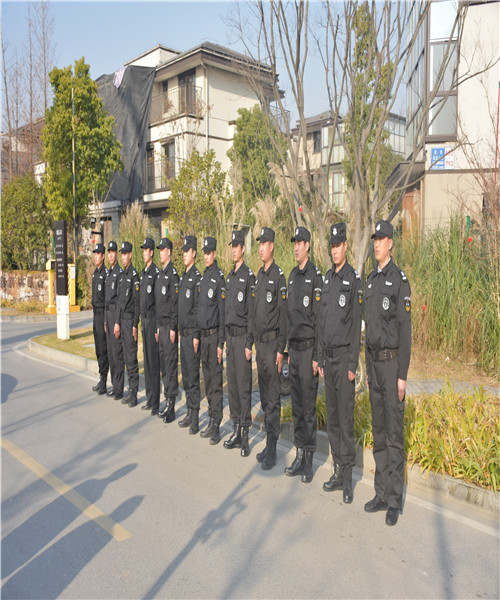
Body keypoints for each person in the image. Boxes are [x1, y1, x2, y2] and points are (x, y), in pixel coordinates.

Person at [364, 219, 411, 526]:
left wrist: (402, 375)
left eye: (382, 239)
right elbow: (369, 331)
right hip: (374, 365)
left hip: (393, 365)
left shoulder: (399, 280)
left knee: (394, 434)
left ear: (391, 243)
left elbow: (405, 331)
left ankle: (394, 499)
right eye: (375, 239)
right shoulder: (371, 281)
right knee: (379, 432)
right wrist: (369, 370)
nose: (377, 243)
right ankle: (381, 492)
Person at [317, 223, 362, 503]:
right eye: (332, 246)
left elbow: (356, 326)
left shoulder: (352, 279)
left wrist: (352, 365)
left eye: (338, 245)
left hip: (344, 359)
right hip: (329, 359)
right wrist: (321, 357)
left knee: (345, 420)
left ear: (346, 246)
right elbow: (322, 321)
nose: (335, 250)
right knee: (332, 419)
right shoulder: (327, 279)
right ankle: (336, 470)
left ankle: (347, 478)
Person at [284, 227, 323, 483]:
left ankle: (309, 459)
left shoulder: (315, 277)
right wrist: (288, 350)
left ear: (308, 245)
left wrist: (317, 355)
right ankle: (299, 454)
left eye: (300, 243)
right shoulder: (292, 276)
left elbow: (319, 320)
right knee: (296, 405)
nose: (296, 247)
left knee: (308, 407)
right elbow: (289, 317)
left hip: (309, 350)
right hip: (295, 351)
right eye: (294, 243)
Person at [249, 227, 287, 470]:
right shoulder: (260, 276)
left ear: (272, 246)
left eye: (264, 244)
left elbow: (283, 316)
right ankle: (267, 441)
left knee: (273, 398)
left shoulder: (278, 276)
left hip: (273, 346)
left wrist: (281, 350)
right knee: (264, 396)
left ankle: (273, 447)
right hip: (260, 346)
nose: (261, 248)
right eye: (259, 244)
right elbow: (255, 312)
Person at [223, 230, 255, 457]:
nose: (234, 250)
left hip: (243, 337)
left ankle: (245, 434)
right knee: (233, 386)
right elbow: (226, 311)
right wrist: (226, 340)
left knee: (244, 388)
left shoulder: (248, 276)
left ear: (243, 248)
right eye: (232, 246)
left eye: (237, 246)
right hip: (230, 338)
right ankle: (235, 429)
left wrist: (249, 343)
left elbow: (251, 314)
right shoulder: (230, 276)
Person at [197, 236, 226, 445]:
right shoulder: (203, 277)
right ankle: (210, 418)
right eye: (204, 253)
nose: (206, 256)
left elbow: (222, 314)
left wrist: (220, 344)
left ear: (214, 253)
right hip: (203, 337)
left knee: (216, 383)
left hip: (215, 336)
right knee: (207, 380)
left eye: (209, 253)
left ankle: (217, 424)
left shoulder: (219, 278)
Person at [177, 236, 202, 434]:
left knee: (193, 377)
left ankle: (195, 417)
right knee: (185, 376)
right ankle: (188, 410)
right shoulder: (183, 277)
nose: (184, 254)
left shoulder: (197, 278)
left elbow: (197, 310)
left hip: (192, 335)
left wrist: (196, 335)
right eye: (183, 251)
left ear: (194, 253)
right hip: (182, 335)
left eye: (187, 251)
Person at [155, 237, 179, 423]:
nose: (161, 253)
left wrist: (172, 327)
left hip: (169, 328)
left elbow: (174, 304)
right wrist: (157, 326)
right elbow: (158, 304)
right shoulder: (160, 274)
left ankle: (171, 406)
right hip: (160, 327)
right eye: (160, 250)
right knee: (164, 365)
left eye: (163, 250)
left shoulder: (173, 275)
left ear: (169, 252)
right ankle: (166, 400)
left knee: (170, 366)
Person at [114, 241, 140, 407]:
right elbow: (119, 302)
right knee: (124, 357)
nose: (123, 257)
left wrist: (135, 325)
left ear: (130, 255)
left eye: (125, 254)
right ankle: (130, 390)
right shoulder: (123, 275)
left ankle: (134, 393)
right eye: (121, 254)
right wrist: (117, 322)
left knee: (131, 358)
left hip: (130, 321)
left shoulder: (134, 276)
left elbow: (137, 303)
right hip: (122, 321)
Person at [139, 237, 161, 416]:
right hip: (144, 321)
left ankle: (156, 402)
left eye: (147, 250)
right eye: (143, 250)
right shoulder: (143, 273)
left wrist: (157, 327)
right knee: (146, 361)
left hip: (153, 320)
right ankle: (149, 397)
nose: (144, 253)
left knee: (153, 362)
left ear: (152, 252)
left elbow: (158, 303)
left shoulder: (155, 273)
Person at [104, 241, 124, 400]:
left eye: (113, 252)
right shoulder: (109, 273)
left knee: (117, 353)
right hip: (108, 315)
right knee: (110, 353)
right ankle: (113, 384)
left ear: (117, 253)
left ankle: (119, 388)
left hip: (115, 315)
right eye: (109, 252)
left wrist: (117, 322)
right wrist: (106, 320)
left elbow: (119, 301)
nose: (111, 255)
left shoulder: (119, 273)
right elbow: (106, 299)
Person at [91, 243, 109, 395]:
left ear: (103, 256)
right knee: (97, 348)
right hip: (95, 313)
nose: (96, 256)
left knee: (103, 349)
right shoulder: (95, 274)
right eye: (95, 253)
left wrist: (105, 320)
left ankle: (104, 381)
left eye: (98, 254)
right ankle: (100, 378)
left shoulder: (106, 274)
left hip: (102, 313)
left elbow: (107, 299)